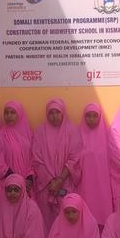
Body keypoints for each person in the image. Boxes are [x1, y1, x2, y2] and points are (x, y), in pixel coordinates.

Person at [32, 98, 83, 228]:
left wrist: (59, 181)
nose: (54, 116)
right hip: (46, 185)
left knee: (67, 217)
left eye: (57, 112)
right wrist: (51, 182)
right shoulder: (40, 132)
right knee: (46, 220)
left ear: (63, 113)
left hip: (66, 183)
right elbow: (37, 160)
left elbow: (74, 158)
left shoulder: (72, 131)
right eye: (51, 113)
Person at [0, 101, 34, 211]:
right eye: (6, 113)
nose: (9, 116)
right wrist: (16, 181)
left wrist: (29, 178)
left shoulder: (29, 135)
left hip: (25, 186)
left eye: (13, 113)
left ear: (20, 114)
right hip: (5, 186)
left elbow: (32, 158)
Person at [78, 103, 114, 226]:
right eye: (88, 116)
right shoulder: (78, 136)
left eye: (95, 116)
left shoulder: (108, 137)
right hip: (84, 182)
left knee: (103, 209)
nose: (91, 119)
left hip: (103, 183)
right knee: (86, 211)